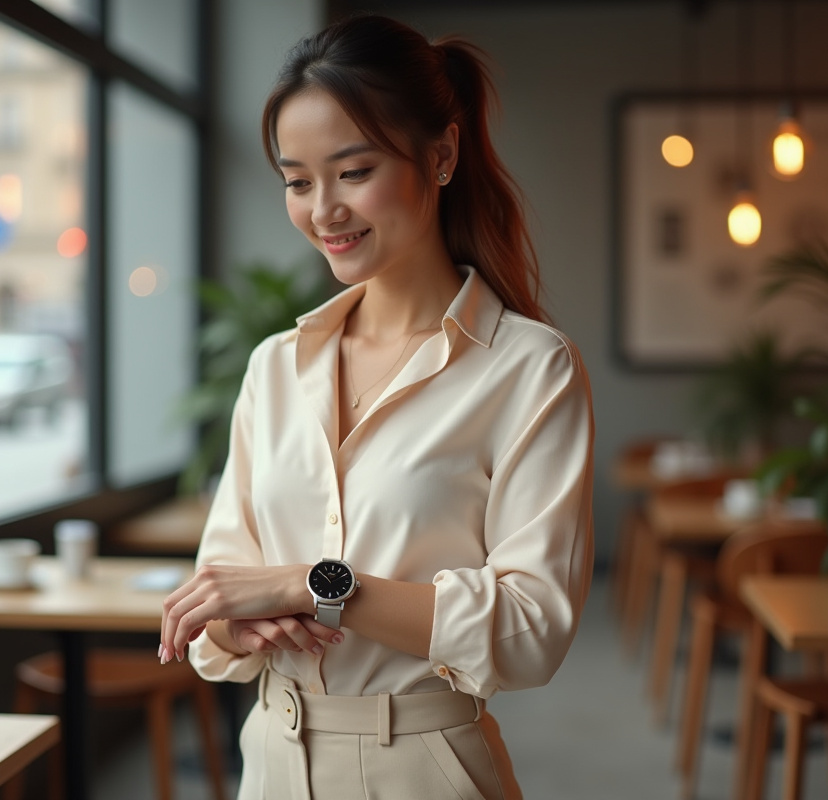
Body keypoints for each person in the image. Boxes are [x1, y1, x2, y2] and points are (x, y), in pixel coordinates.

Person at [158, 14, 594, 799]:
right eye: (298, 181)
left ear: (443, 155)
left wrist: (315, 587)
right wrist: (235, 617)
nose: (323, 210)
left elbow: (532, 631)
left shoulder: (531, 369)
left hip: (424, 765)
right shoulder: (274, 368)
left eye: (353, 171)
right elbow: (218, 603)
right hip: (273, 760)